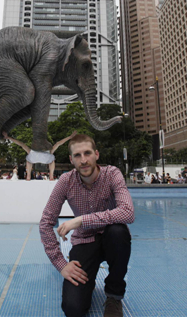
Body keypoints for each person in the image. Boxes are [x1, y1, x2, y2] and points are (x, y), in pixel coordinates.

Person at [39, 133, 134, 317]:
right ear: (71, 160)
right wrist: (61, 264)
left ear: (96, 154)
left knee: (118, 231)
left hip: (111, 239)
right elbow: (45, 222)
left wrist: (82, 220)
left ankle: (114, 295)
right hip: (85, 241)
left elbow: (128, 213)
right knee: (73, 309)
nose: (83, 160)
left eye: (87, 153)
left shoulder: (112, 174)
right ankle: (87, 284)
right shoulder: (66, 181)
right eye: (77, 155)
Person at [3, 131, 78, 181]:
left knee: (28, 160)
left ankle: (28, 176)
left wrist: (9, 137)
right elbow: (58, 143)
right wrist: (69, 137)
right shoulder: (49, 150)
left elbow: (21, 144)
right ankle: (51, 176)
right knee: (52, 160)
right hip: (46, 157)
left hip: (33, 156)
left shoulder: (31, 151)